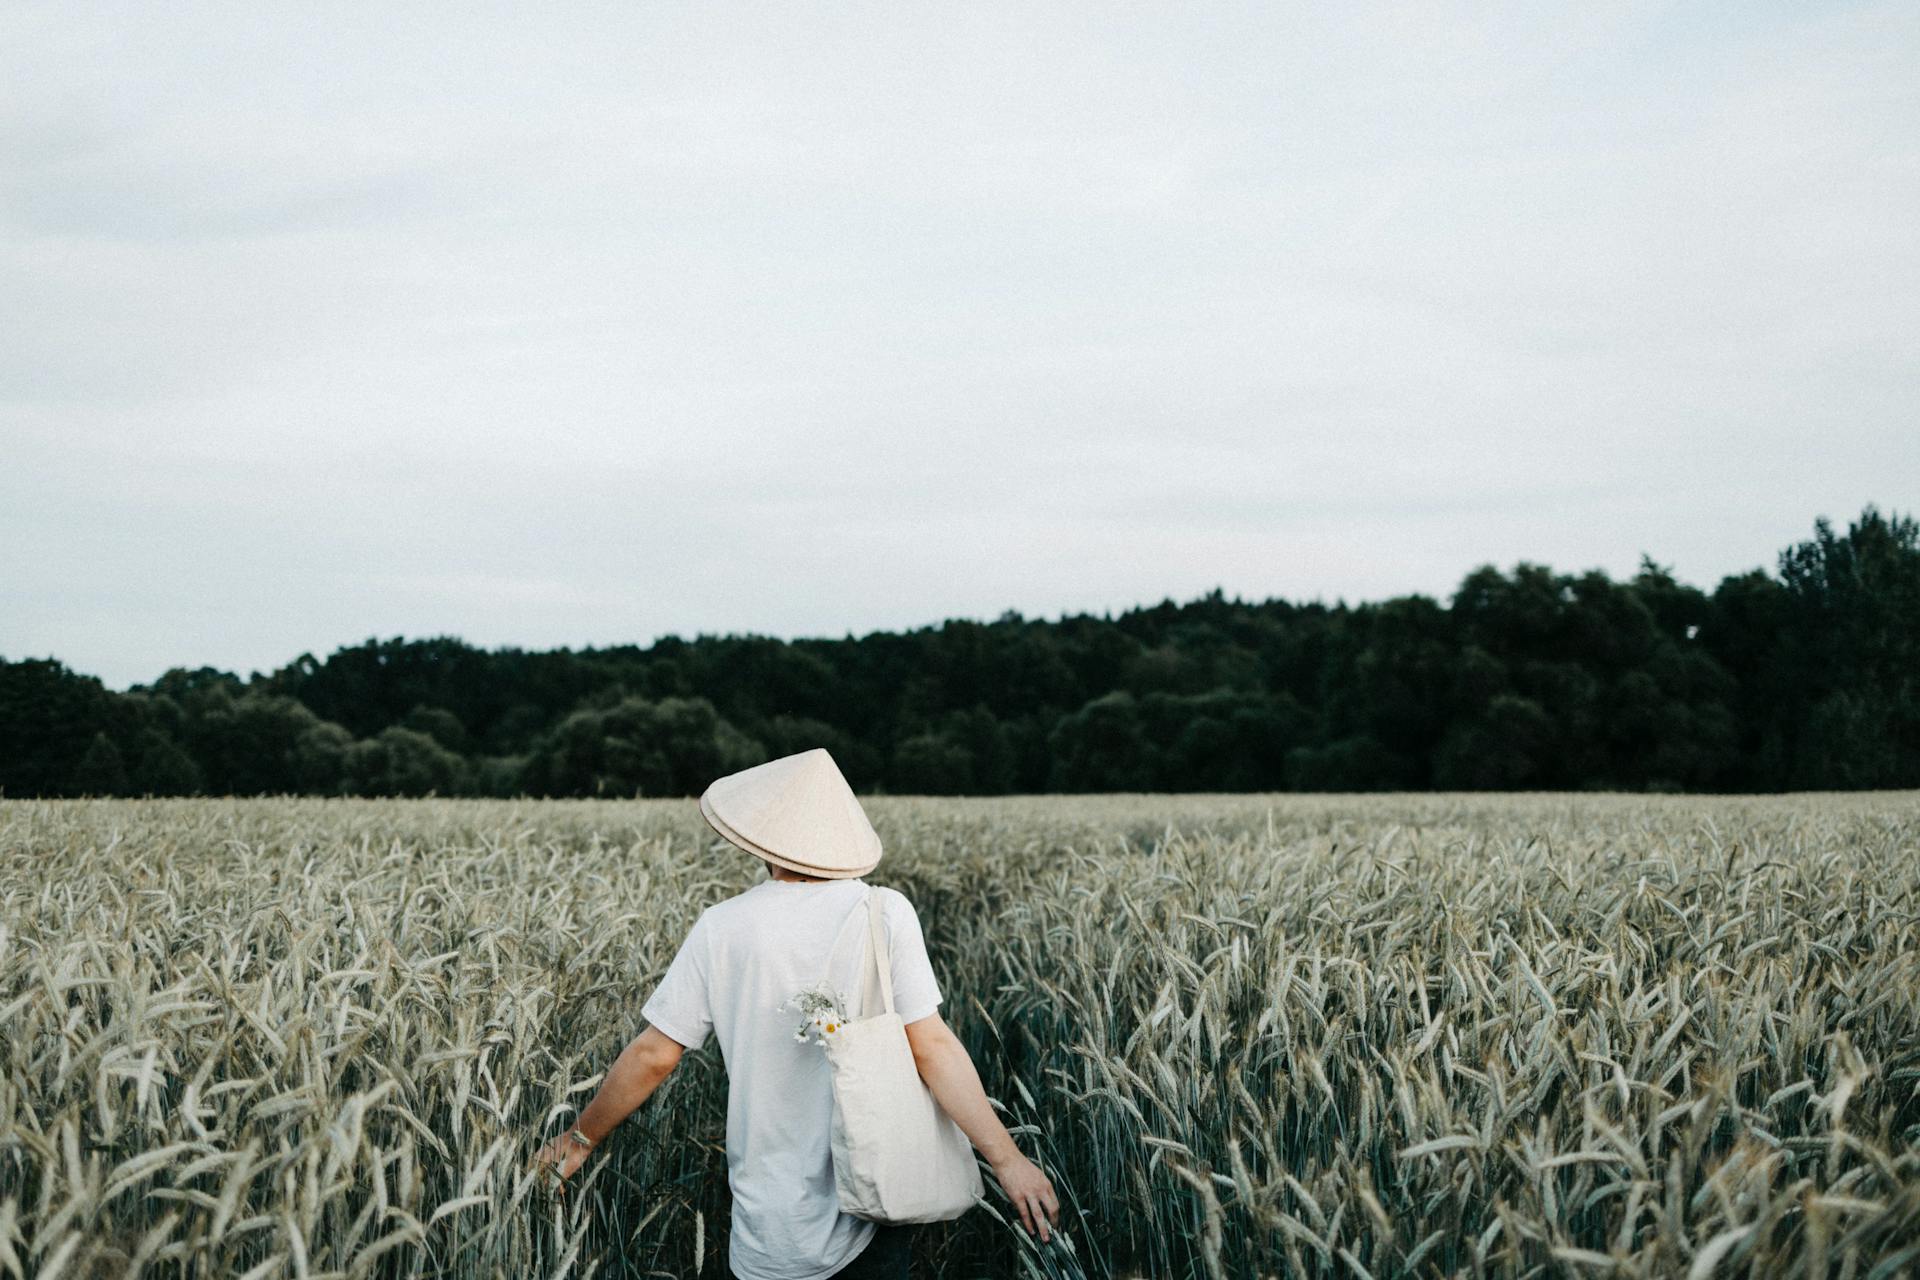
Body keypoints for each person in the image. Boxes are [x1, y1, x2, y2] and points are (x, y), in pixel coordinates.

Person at [531, 747, 1060, 1279]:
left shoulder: (724, 926)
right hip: (879, 1194)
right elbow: (932, 1046)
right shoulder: (885, 912)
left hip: (771, 1217)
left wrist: (579, 1140)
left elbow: (653, 1055)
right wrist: (1008, 1160)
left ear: (766, 840)